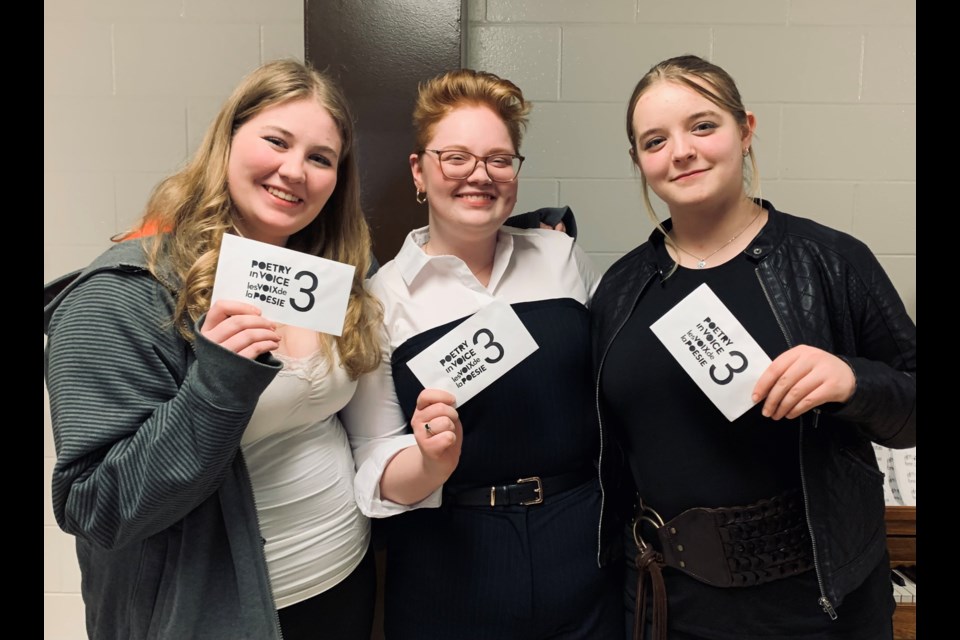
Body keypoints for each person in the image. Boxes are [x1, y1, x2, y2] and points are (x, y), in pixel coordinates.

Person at [43, 59, 384, 640]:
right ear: (226, 141)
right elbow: (95, 507)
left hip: (342, 576)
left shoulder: (332, 276)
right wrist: (215, 386)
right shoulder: (122, 294)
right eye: (276, 141)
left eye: (320, 158)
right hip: (215, 611)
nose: (294, 170)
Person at [591, 54, 917, 639]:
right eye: (655, 140)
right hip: (668, 604)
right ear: (639, 162)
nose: (681, 151)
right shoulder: (619, 290)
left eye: (703, 125)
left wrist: (852, 381)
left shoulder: (832, 262)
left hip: (817, 605)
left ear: (746, 131)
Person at [340, 69, 624, 639]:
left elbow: (614, 387)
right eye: (457, 158)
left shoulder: (561, 257)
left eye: (499, 159)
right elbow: (371, 455)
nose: (480, 175)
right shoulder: (381, 298)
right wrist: (428, 464)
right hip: (450, 560)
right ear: (420, 171)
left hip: (583, 546)